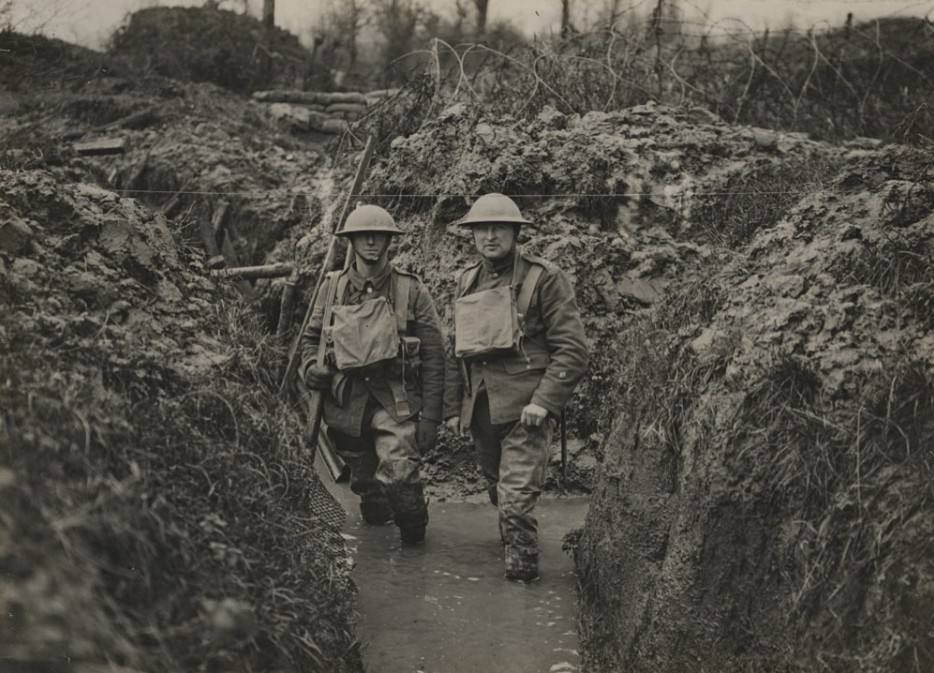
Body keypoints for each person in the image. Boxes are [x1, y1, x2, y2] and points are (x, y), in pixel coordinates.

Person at [443, 193, 588, 582]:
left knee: (517, 499)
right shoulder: (466, 280)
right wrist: (456, 408)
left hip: (527, 411)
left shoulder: (545, 278)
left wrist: (544, 402)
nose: (489, 236)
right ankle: (511, 540)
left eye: (498, 228)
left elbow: (572, 350)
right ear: (472, 235)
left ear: (515, 232)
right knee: (498, 489)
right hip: (483, 411)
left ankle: (522, 581)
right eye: (481, 229)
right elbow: (458, 351)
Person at [300, 204, 445, 545]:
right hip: (346, 405)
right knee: (369, 491)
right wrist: (311, 368)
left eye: (378, 236)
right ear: (350, 240)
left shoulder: (411, 290)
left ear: (388, 241)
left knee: (400, 474)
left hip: (394, 402)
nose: (370, 242)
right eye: (362, 236)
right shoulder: (331, 287)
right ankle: (378, 540)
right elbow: (310, 340)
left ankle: (414, 541)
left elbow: (436, 356)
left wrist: (432, 419)